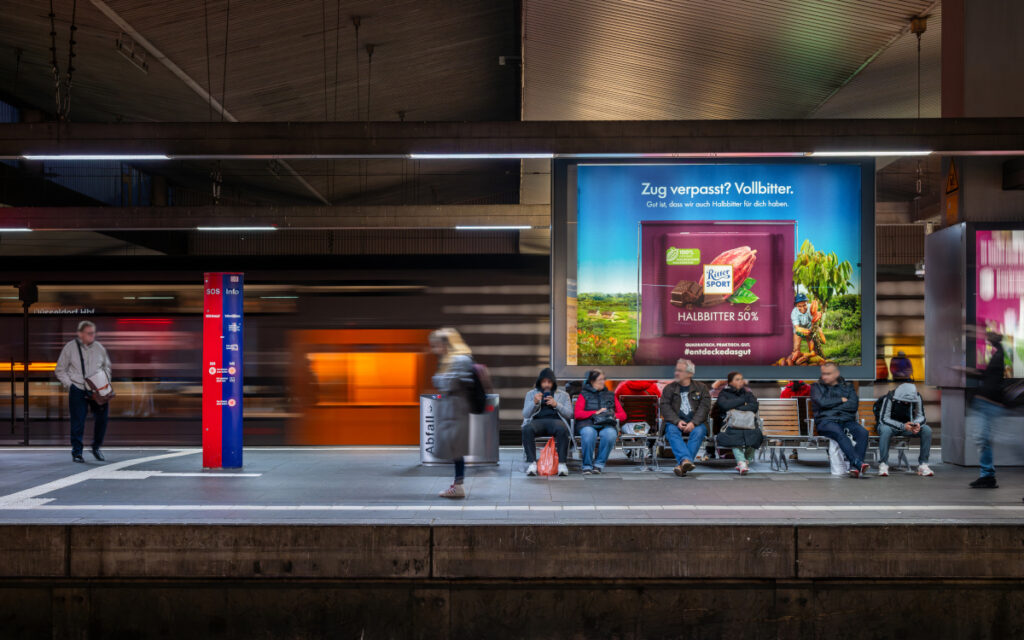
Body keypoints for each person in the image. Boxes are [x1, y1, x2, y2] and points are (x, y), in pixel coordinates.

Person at [54, 320, 112, 463]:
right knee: (77, 422)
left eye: (93, 332)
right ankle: (77, 453)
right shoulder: (70, 347)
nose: (93, 335)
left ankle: (96, 447)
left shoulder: (99, 348)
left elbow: (107, 366)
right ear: (80, 334)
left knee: (102, 420)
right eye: (89, 333)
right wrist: (70, 385)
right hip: (78, 389)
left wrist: (104, 382)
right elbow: (59, 370)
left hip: (97, 390)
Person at [429, 328, 475, 499]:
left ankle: (458, 486)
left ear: (445, 344)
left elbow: (449, 383)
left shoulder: (460, 359)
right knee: (455, 450)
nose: (435, 350)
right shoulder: (453, 360)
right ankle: (457, 484)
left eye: (436, 345)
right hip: (453, 412)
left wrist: (440, 377)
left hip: (457, 412)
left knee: (456, 449)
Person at [967, 331, 1011, 489]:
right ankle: (987, 475)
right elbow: (990, 376)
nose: (987, 339)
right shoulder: (998, 354)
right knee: (982, 439)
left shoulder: (1001, 354)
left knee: (984, 439)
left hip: (989, 403)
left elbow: (992, 378)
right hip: (986, 402)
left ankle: (987, 476)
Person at [811, 362, 869, 478]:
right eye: (823, 373)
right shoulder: (816, 387)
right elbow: (822, 403)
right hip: (826, 421)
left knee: (863, 432)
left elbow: (853, 405)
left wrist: (832, 405)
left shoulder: (848, 387)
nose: (824, 376)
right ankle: (857, 463)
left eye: (828, 374)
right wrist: (840, 400)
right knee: (839, 433)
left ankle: (855, 468)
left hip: (846, 420)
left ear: (836, 373)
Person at [659, 358, 711, 477]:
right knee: (671, 430)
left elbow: (705, 408)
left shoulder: (701, 388)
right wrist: (677, 421)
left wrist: (693, 423)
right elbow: (665, 407)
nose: (676, 373)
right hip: (675, 422)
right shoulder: (669, 388)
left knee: (699, 432)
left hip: (697, 423)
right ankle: (686, 461)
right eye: (676, 370)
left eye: (680, 371)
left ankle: (682, 464)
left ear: (689, 374)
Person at [573, 369, 626, 474]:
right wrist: (595, 413)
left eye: (603, 379)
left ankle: (598, 464)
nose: (603, 382)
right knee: (589, 433)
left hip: (606, 424)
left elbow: (623, 415)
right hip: (587, 423)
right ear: (592, 382)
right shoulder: (583, 395)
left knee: (610, 434)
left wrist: (611, 415)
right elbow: (577, 414)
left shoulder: (610, 395)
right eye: (600, 380)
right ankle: (587, 466)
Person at [522, 367, 572, 477]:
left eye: (549, 382)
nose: (546, 385)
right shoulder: (531, 394)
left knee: (562, 429)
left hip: (556, 421)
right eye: (544, 382)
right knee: (527, 429)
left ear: (553, 383)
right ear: (540, 382)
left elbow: (569, 414)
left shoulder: (563, 395)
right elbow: (525, 414)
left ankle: (562, 464)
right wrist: (534, 402)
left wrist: (556, 404)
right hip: (537, 422)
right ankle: (532, 464)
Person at [876, 382, 933, 477]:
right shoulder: (890, 397)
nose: (907, 403)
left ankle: (923, 464)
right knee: (885, 430)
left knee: (927, 430)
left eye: (909, 401)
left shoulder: (917, 397)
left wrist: (917, 424)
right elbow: (883, 419)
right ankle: (883, 464)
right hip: (890, 426)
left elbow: (921, 416)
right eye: (905, 401)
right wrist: (902, 426)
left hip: (907, 426)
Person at [714, 371, 763, 474]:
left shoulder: (747, 393)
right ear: (730, 382)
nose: (741, 381)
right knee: (735, 436)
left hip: (748, 424)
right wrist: (743, 401)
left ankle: (745, 461)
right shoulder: (724, 393)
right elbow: (724, 405)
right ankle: (742, 462)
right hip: (731, 424)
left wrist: (734, 407)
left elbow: (754, 406)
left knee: (755, 434)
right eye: (737, 379)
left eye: (741, 379)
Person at [790, 293, 814, 359]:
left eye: (804, 305)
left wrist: (811, 331)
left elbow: (814, 322)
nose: (802, 308)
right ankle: (796, 361)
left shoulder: (811, 308)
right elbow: (797, 328)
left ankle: (812, 359)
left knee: (813, 350)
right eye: (799, 306)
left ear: (807, 302)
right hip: (799, 330)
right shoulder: (794, 313)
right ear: (796, 305)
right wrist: (806, 332)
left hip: (810, 328)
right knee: (796, 349)